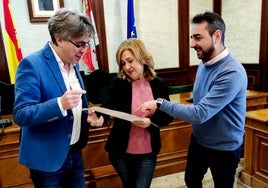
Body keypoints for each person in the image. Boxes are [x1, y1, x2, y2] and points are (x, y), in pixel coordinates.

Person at [138, 12, 248, 188]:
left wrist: (160, 103)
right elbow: (202, 99)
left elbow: (200, 113)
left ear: (217, 36)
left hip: (224, 148)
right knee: (191, 180)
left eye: (197, 37)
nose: (191, 44)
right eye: (191, 37)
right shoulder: (204, 63)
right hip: (199, 140)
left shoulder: (232, 72)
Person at [13, 8, 95, 187]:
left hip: (74, 152)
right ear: (59, 39)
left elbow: (75, 105)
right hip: (47, 159)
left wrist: (87, 115)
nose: (84, 50)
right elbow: (21, 114)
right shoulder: (31, 65)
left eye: (87, 44)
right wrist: (60, 104)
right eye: (80, 44)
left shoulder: (73, 64)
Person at [87, 38, 174, 188]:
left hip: (148, 151)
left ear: (142, 58)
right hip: (121, 151)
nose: (127, 67)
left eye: (130, 61)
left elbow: (168, 115)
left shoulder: (159, 84)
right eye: (122, 63)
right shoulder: (118, 83)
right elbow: (106, 108)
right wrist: (98, 119)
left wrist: (150, 122)